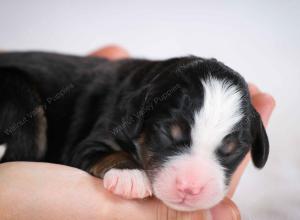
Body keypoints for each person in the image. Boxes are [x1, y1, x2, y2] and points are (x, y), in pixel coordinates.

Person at [0, 46, 275, 220]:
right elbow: (88, 150)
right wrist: (119, 164)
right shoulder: (129, 105)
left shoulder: (150, 97)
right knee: (24, 132)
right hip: (13, 81)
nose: (191, 185)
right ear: (140, 114)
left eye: (228, 152)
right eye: (171, 135)